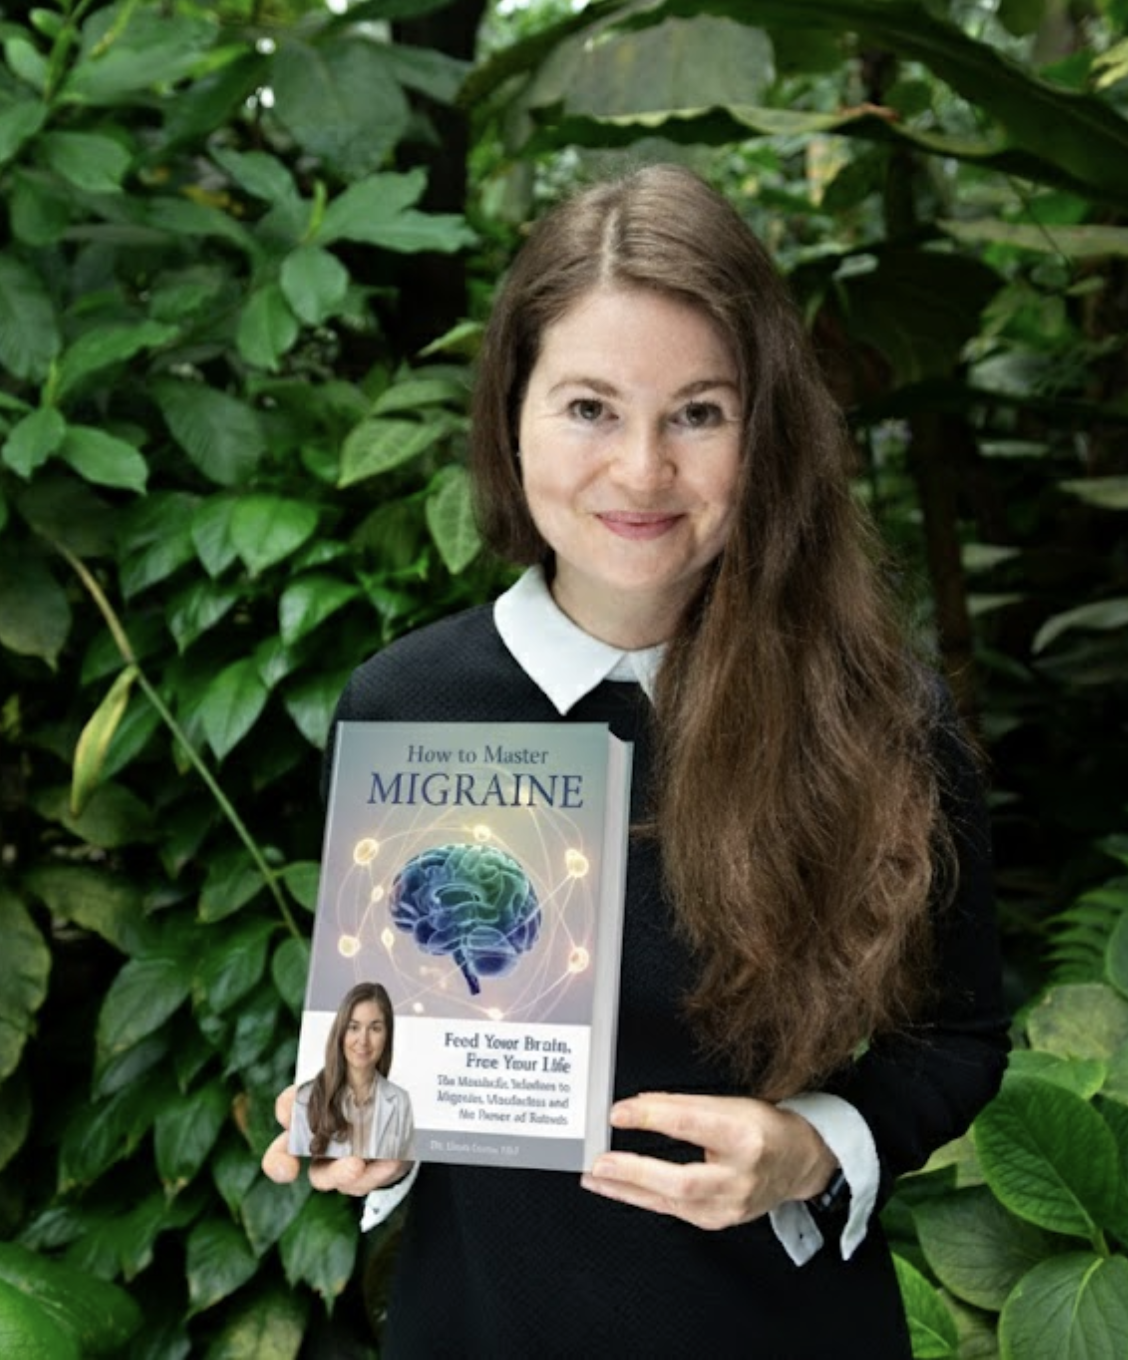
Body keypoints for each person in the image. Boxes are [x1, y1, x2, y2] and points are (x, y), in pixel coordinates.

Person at [263, 163, 1009, 1356]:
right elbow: (400, 1043)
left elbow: (960, 1035)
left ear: (764, 430)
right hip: (481, 1329)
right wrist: (366, 1134)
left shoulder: (875, 712)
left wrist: (816, 1144)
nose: (641, 470)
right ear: (510, 412)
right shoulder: (404, 707)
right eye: (588, 408)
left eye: (697, 413)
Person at [290, 982, 414, 1161]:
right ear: (341, 1032)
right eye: (354, 1027)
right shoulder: (305, 1098)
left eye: (375, 1028)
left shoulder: (401, 1101)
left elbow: (405, 1169)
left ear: (387, 1036)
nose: (363, 1040)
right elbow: (299, 1166)